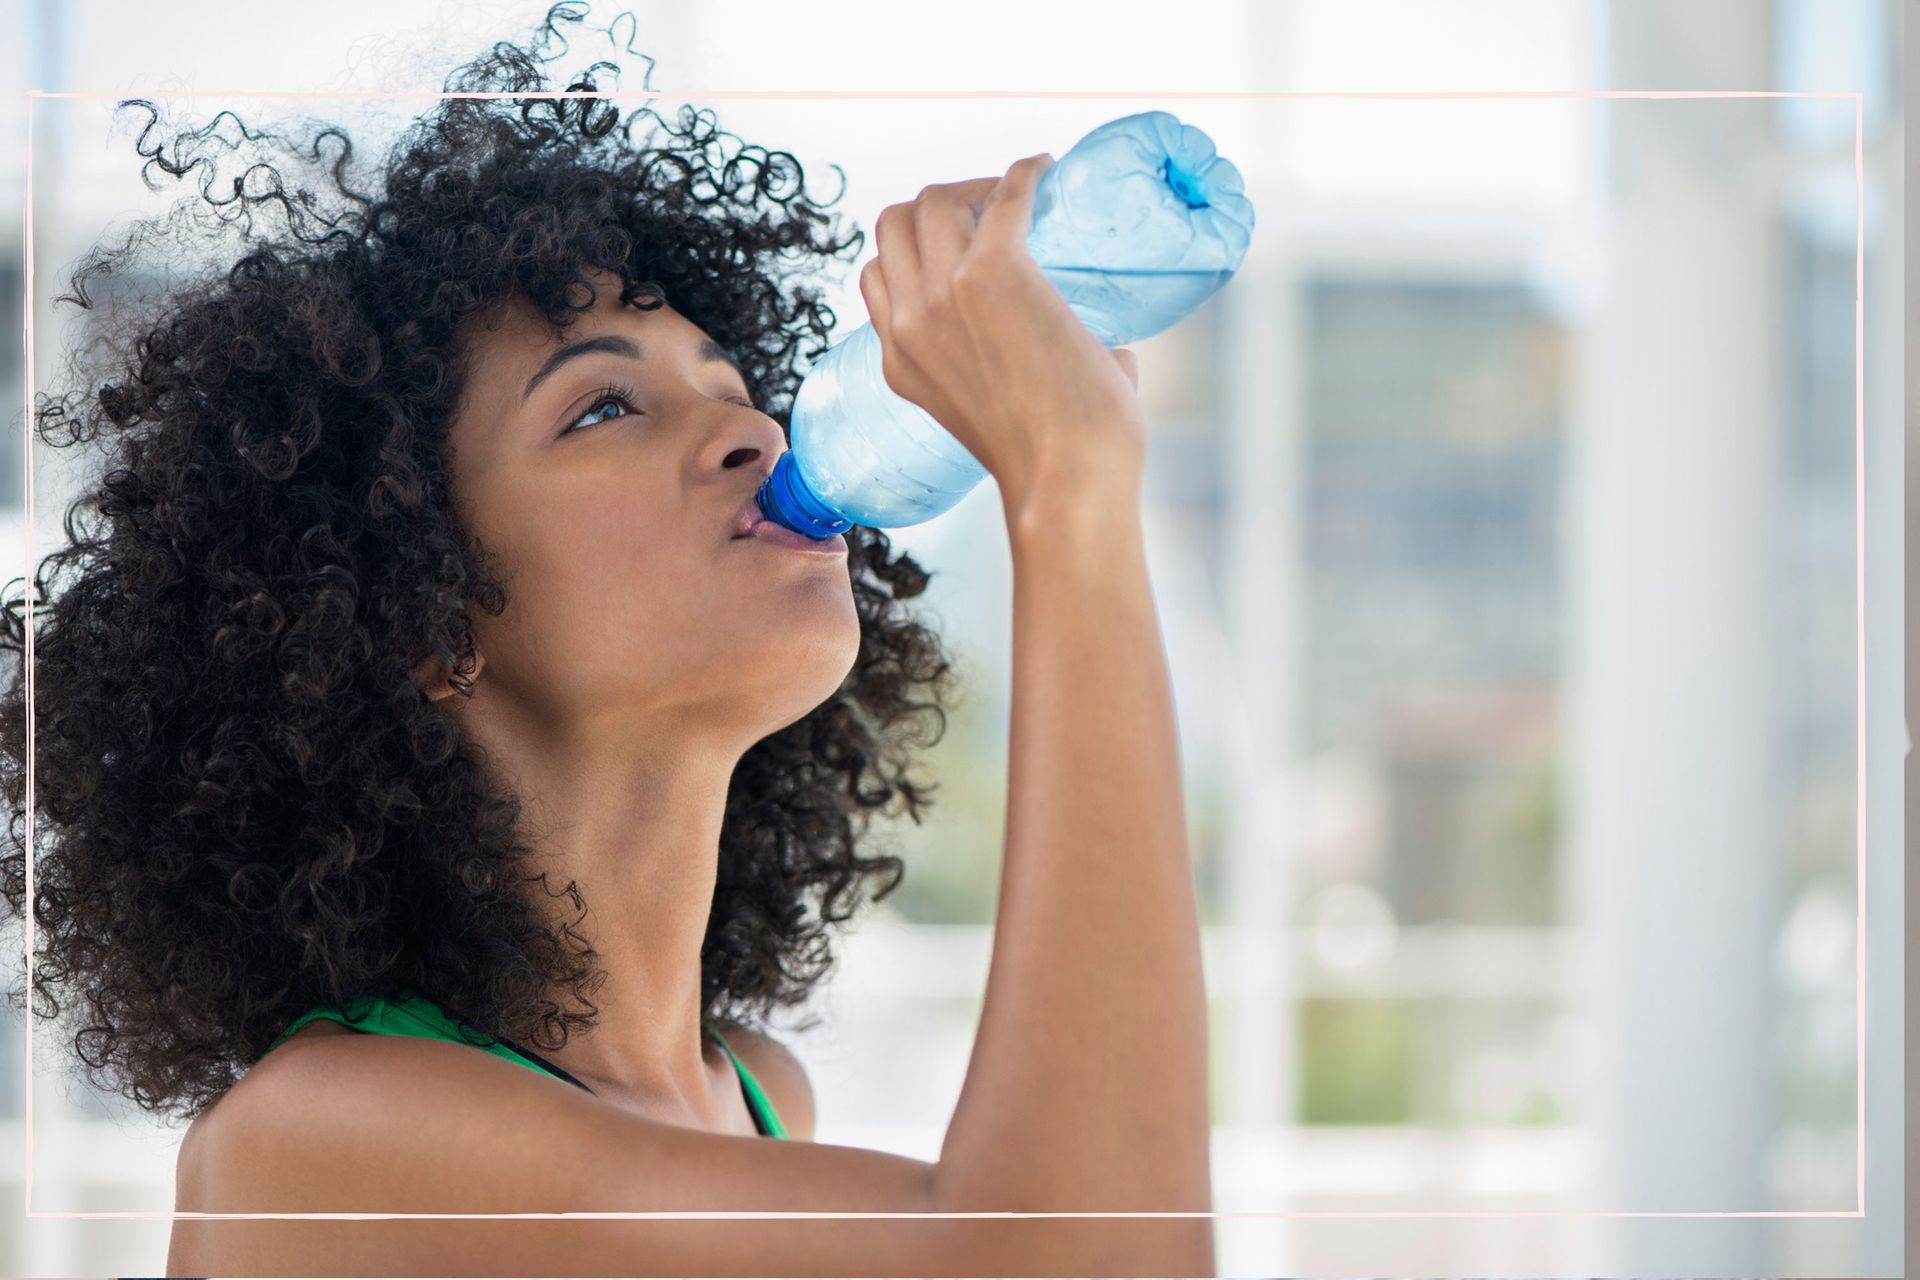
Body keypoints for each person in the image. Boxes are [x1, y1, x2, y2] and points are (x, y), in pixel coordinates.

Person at [2, 5, 1212, 1274]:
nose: (753, 435)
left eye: (734, 384)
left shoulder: (756, 1097)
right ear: (422, 613)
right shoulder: (315, 1141)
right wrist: (1067, 489)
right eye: (604, 406)